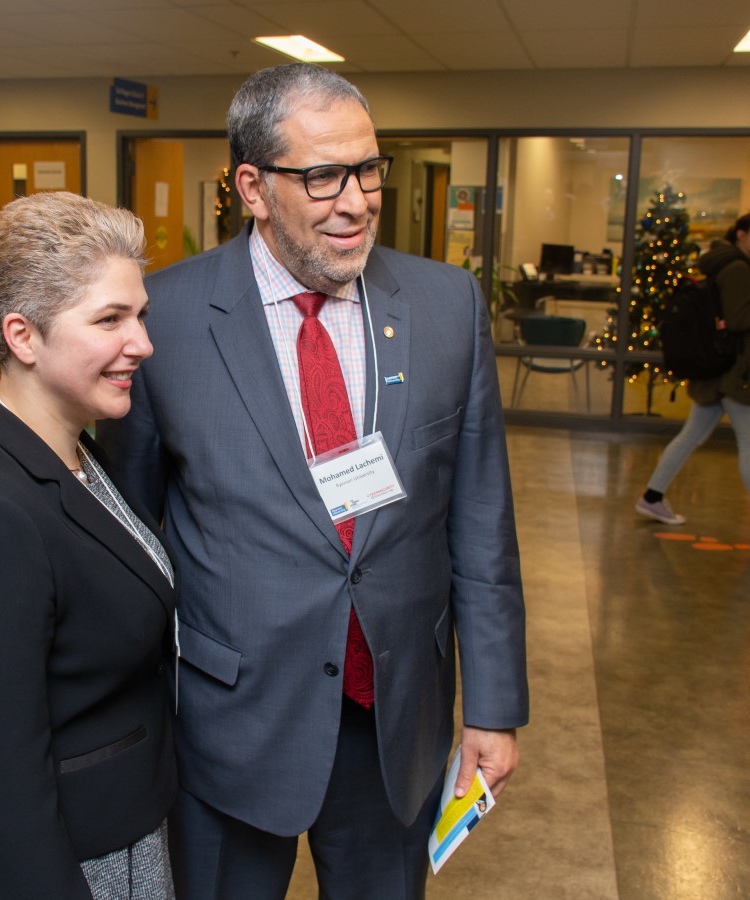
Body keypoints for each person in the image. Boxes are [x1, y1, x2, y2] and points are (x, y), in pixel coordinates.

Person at [97, 63, 528, 899]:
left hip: (393, 716)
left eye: (368, 170)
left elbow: (482, 521)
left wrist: (494, 707)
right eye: (324, 175)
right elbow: (135, 534)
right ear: (251, 187)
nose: (358, 200)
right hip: (229, 724)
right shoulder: (165, 320)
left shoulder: (446, 307)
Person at [0, 191, 177, 899]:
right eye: (111, 319)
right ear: (22, 337)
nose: (141, 342)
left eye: (139, 315)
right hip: (50, 866)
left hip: (113, 834)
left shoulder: (76, 454)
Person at [636, 212, 750, 524]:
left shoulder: (720, 263)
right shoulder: (738, 268)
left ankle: (652, 497)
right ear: (741, 234)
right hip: (734, 373)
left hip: (717, 371)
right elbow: (740, 319)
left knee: (691, 436)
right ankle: (651, 497)